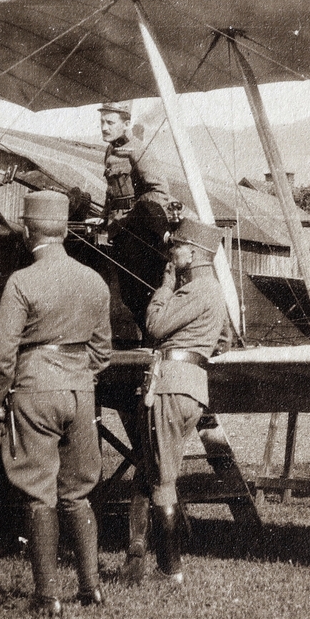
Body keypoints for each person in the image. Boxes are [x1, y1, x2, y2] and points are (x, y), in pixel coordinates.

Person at [0, 190, 113, 615]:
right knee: (78, 493)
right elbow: (102, 351)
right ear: (65, 229)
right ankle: (91, 588)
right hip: (81, 391)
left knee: (40, 495)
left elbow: (2, 354)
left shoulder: (21, 281)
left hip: (35, 389)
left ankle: (47, 596)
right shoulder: (93, 280)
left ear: (26, 230)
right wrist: (75, 376)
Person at [126, 217, 230, 585]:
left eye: (178, 247)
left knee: (162, 479)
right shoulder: (214, 292)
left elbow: (154, 325)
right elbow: (224, 341)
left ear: (195, 253)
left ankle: (170, 569)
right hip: (192, 387)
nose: (172, 253)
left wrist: (166, 287)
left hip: (169, 386)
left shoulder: (194, 289)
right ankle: (142, 560)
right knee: (157, 469)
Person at [98, 101, 175, 337]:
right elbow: (112, 193)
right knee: (128, 294)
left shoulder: (138, 150)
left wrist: (135, 215)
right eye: (102, 121)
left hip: (139, 234)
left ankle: (153, 337)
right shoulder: (110, 151)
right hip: (119, 231)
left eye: (110, 122)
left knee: (142, 290)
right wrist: (103, 219)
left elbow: (160, 191)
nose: (104, 127)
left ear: (126, 123)